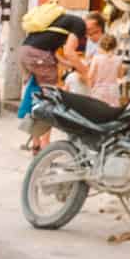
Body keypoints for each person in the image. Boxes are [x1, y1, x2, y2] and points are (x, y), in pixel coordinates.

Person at [19, 9, 88, 153]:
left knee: (38, 97)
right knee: (51, 99)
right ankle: (45, 147)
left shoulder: (60, 24)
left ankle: (36, 144)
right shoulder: (80, 24)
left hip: (26, 52)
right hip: (38, 56)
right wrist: (86, 73)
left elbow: (54, 53)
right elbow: (69, 51)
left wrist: (70, 65)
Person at [86, 30, 125, 106]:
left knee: (99, 111)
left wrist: (89, 90)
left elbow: (90, 76)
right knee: (112, 112)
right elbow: (120, 76)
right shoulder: (118, 59)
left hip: (99, 90)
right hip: (113, 90)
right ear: (115, 46)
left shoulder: (96, 58)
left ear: (100, 45)